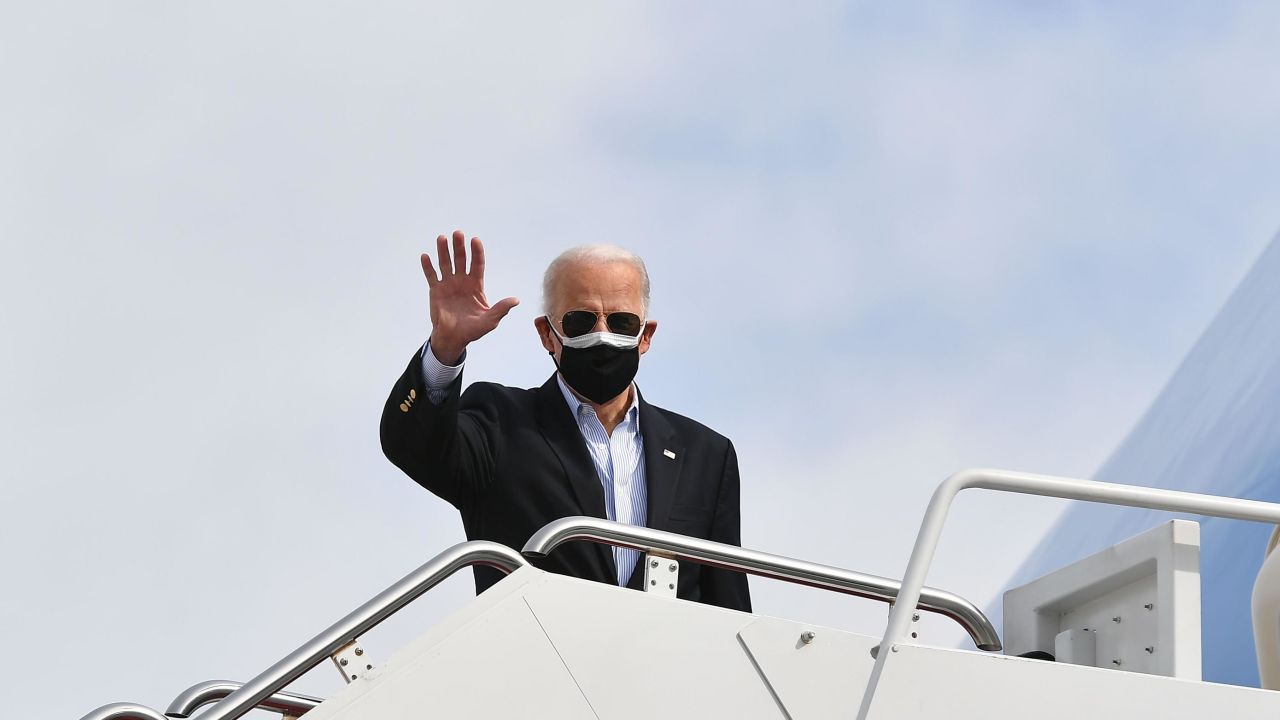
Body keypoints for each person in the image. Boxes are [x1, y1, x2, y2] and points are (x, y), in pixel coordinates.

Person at [379, 230, 751, 611]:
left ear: (646, 336)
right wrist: (445, 347)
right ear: (547, 334)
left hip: (663, 665)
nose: (601, 335)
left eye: (621, 322)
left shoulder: (706, 454)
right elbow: (412, 445)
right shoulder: (499, 421)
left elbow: (729, 602)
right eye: (580, 321)